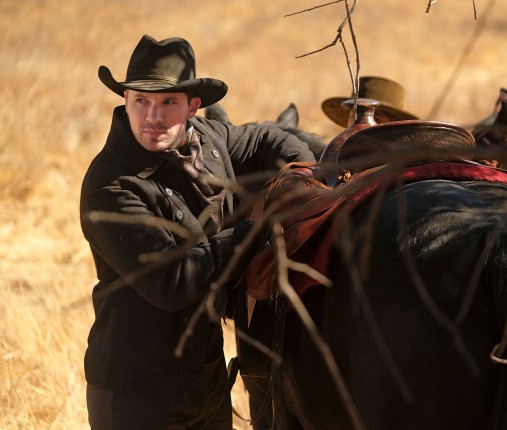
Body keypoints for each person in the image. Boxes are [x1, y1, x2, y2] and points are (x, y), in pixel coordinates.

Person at [80, 34, 315, 429]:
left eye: (168, 102)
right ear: (125, 100)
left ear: (193, 106)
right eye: (141, 101)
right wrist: (255, 230)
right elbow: (174, 280)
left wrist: (302, 177)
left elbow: (266, 138)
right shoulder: (112, 184)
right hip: (139, 393)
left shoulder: (206, 139)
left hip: (206, 380)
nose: (153, 117)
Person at [321, 75, 419, 128]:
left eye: (375, 118)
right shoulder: (334, 154)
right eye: (354, 116)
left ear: (393, 126)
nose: (360, 125)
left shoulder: (404, 158)